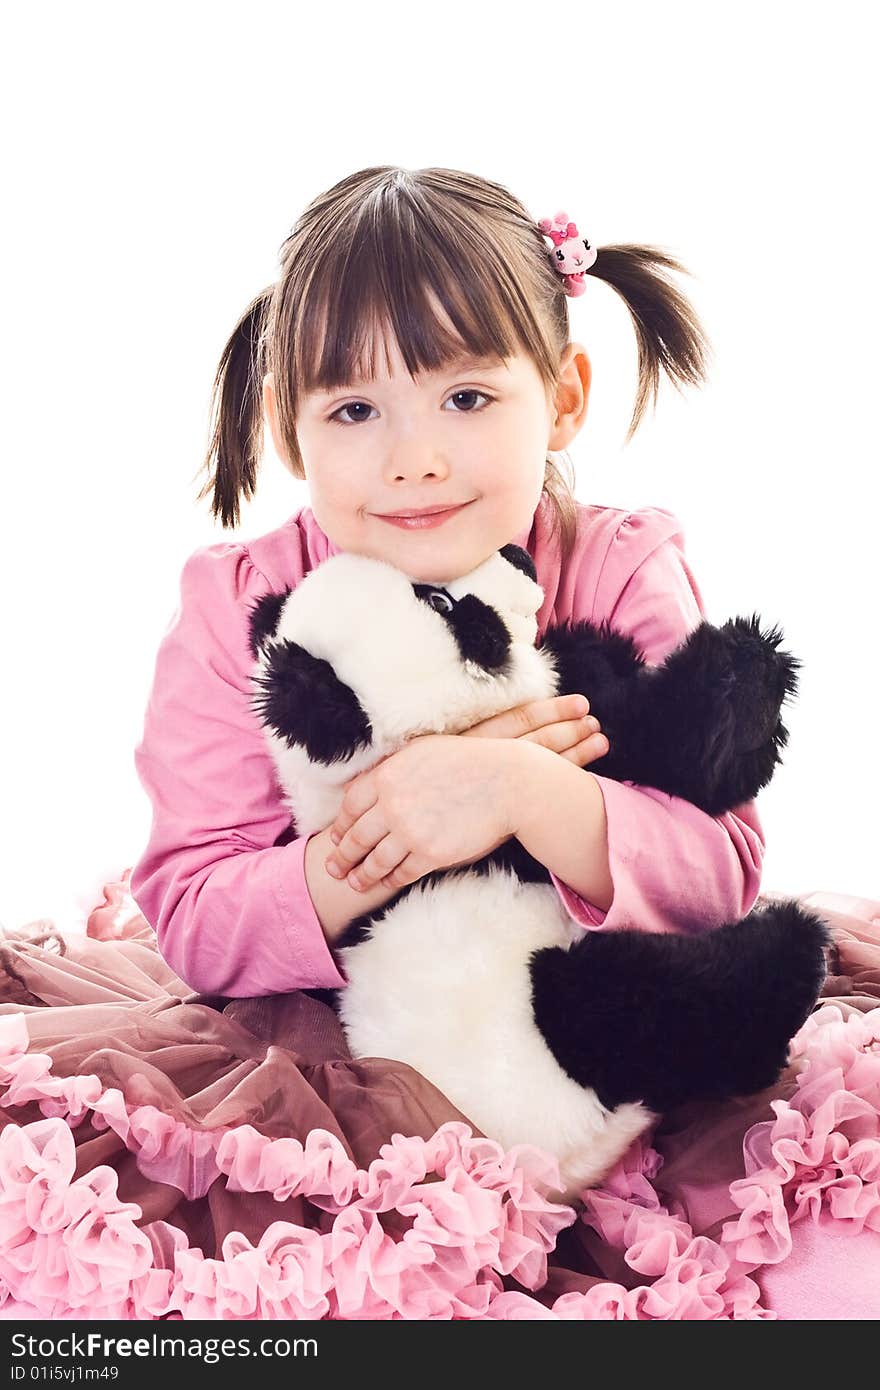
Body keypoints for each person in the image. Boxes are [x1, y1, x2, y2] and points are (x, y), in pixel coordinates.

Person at [0, 166, 877, 1320]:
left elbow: (717, 868)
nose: (413, 458)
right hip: (339, 1049)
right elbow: (201, 914)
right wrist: (388, 836)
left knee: (829, 1246)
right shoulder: (241, 601)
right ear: (291, 426)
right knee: (171, 1277)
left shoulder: (614, 564)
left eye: (466, 397)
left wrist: (512, 789)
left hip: (615, 1035)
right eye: (355, 411)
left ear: (561, 395)